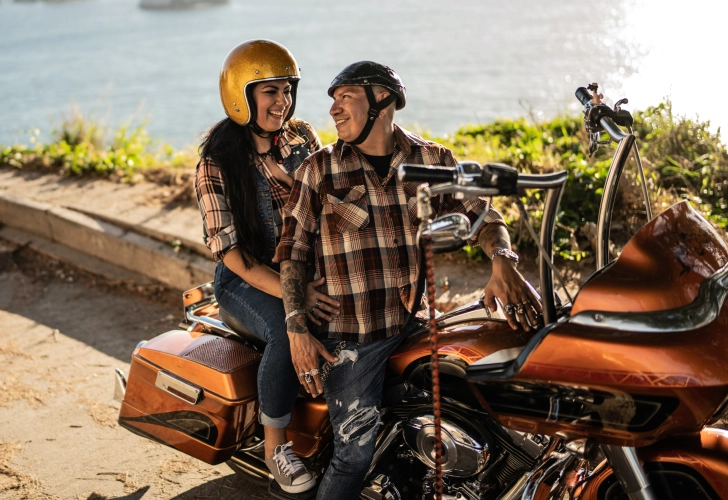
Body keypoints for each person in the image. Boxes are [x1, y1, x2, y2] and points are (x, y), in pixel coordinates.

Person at [273, 61, 543, 499]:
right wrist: (296, 327)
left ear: (382, 100)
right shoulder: (319, 170)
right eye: (332, 102)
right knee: (352, 454)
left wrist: (503, 259)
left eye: (345, 98)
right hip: (352, 339)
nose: (334, 111)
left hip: (412, 323)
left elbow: (482, 214)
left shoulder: (432, 161)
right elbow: (292, 253)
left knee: (480, 395)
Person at [194, 39, 340, 494]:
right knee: (284, 325)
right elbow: (232, 256)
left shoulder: (302, 138)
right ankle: (275, 446)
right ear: (243, 96)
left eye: (288, 90)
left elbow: (333, 203)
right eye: (270, 92)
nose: (283, 102)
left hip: (306, 268)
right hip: (244, 280)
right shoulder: (217, 163)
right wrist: (296, 294)